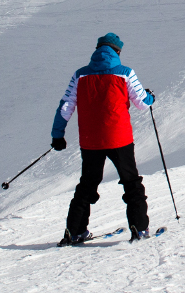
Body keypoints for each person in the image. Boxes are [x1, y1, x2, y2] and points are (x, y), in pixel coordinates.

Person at [51, 32, 156, 245]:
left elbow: (65, 106)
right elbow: (142, 103)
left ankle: (75, 231)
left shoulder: (80, 75)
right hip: (119, 138)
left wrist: (58, 135)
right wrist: (150, 96)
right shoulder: (125, 73)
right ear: (117, 51)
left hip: (90, 141)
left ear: (97, 50)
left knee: (87, 185)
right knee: (131, 183)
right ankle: (139, 228)